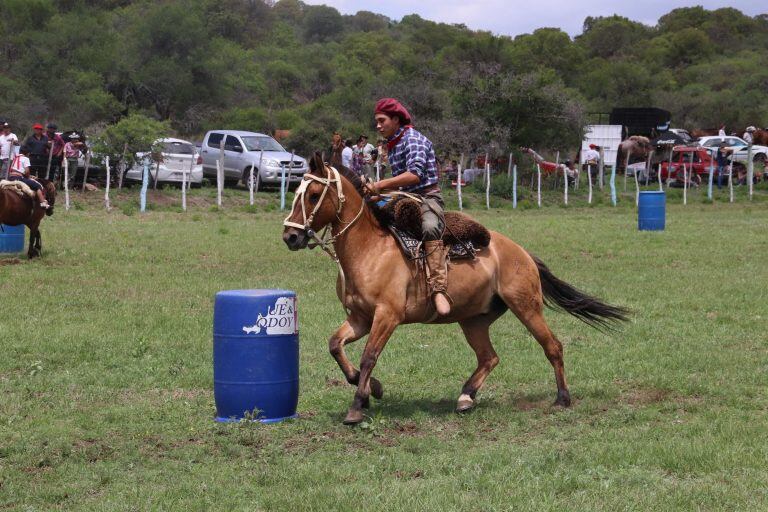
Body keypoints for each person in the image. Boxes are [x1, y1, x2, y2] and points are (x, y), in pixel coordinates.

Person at [364, 97, 451, 316]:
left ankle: (438, 288)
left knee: (430, 227)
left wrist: (380, 185)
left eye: (382, 120)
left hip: (426, 197)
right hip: (403, 197)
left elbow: (414, 175)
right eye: (377, 121)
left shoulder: (412, 139)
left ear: (395, 119)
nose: (378, 125)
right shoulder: (392, 143)